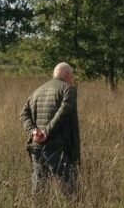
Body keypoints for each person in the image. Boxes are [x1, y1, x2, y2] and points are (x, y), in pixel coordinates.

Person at [20, 62, 81, 197]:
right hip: (58, 147)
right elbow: (65, 112)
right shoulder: (69, 89)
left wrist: (33, 131)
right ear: (68, 75)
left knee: (39, 188)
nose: (72, 79)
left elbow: (24, 114)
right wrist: (46, 132)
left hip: (36, 147)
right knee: (69, 186)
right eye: (72, 76)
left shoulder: (37, 91)